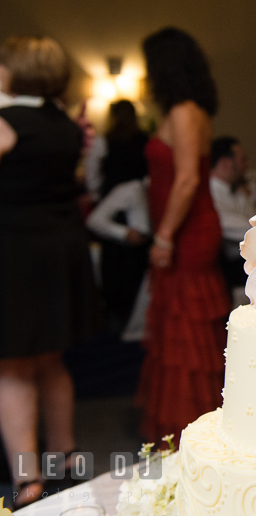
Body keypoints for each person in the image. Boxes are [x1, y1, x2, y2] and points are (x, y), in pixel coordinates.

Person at [0, 36, 97, 506]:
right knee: (53, 362)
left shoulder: (6, 122)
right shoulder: (67, 124)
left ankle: (29, 480)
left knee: (14, 369)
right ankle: (68, 459)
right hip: (62, 247)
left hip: (18, 251)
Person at [136, 27, 229, 443]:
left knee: (184, 330)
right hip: (185, 228)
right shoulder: (186, 109)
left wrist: (165, 237)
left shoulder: (184, 110)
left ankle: (187, 428)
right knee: (182, 327)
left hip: (188, 231)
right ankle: (188, 427)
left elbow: (188, 179)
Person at [90, 99, 150, 331]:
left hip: (112, 205)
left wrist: (97, 195)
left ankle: (116, 313)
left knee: (113, 262)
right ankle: (133, 312)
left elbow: (93, 176)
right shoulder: (145, 141)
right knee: (136, 261)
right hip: (141, 203)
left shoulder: (104, 142)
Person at [209, 135, 256, 294]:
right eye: (242, 160)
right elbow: (248, 228)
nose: (246, 165)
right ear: (224, 163)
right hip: (231, 269)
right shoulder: (211, 194)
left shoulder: (238, 189)